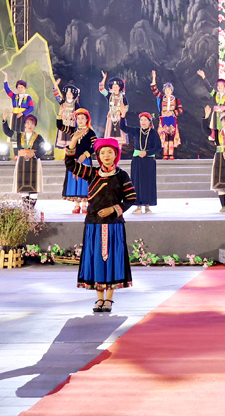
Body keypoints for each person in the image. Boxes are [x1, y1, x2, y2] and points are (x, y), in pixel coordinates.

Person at [66, 137, 136, 313]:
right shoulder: (91, 173)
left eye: (110, 152)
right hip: (94, 225)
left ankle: (109, 299)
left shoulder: (122, 175)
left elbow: (131, 198)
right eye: (102, 153)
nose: (106, 156)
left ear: (116, 155)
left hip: (114, 226)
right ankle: (99, 299)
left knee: (113, 259)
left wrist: (113, 209)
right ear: (98, 155)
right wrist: (73, 140)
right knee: (96, 259)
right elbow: (70, 164)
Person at [120, 112, 162, 214]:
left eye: (145, 120)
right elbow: (123, 127)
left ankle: (147, 206)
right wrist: (123, 116)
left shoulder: (153, 133)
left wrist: (147, 153)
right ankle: (138, 206)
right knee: (136, 182)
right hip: (137, 160)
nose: (143, 122)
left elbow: (158, 147)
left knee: (148, 182)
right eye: (141, 120)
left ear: (149, 121)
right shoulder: (136, 131)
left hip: (149, 161)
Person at [58, 108, 97, 214]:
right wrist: (60, 115)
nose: (80, 120)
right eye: (78, 118)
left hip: (85, 161)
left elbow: (94, 146)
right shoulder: (73, 130)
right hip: (74, 160)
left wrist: (85, 155)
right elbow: (60, 126)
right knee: (74, 181)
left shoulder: (90, 132)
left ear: (87, 120)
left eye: (82, 118)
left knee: (84, 182)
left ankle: (84, 205)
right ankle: (76, 205)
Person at [3, 114, 46, 204]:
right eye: (28, 123)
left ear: (35, 125)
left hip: (34, 162)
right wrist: (4, 120)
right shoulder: (19, 136)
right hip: (22, 162)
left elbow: (43, 149)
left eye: (32, 124)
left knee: (34, 186)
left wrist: (34, 154)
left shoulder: (39, 137)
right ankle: (26, 209)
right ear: (24, 125)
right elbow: (7, 132)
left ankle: (32, 209)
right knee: (23, 186)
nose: (30, 125)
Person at [150, 71, 183, 159]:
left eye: (169, 90)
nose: (167, 91)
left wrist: (172, 112)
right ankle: (165, 154)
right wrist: (154, 77)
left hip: (172, 120)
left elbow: (180, 109)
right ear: (164, 91)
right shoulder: (161, 98)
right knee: (164, 137)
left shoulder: (176, 100)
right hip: (163, 119)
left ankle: (171, 154)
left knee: (171, 137)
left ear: (171, 91)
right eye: (166, 90)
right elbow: (154, 90)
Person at [197, 69, 225, 136]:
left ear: (224, 87)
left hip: (224, 115)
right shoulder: (215, 94)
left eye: (221, 85)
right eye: (218, 85)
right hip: (215, 116)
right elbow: (209, 88)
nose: (219, 87)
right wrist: (204, 78)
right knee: (216, 131)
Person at [98, 72, 129, 143]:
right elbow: (101, 89)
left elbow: (126, 107)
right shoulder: (109, 95)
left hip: (119, 117)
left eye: (116, 87)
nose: (115, 88)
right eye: (113, 87)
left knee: (120, 137)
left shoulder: (123, 97)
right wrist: (104, 78)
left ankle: (120, 150)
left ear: (119, 88)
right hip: (111, 116)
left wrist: (122, 111)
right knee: (110, 136)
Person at [53, 80, 81, 160]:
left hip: (71, 125)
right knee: (64, 141)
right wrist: (55, 86)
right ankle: (66, 156)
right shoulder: (63, 102)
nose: (68, 96)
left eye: (70, 94)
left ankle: (71, 156)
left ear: (73, 95)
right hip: (63, 124)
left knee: (71, 141)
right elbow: (57, 96)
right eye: (67, 94)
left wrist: (72, 116)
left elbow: (79, 114)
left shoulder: (76, 104)